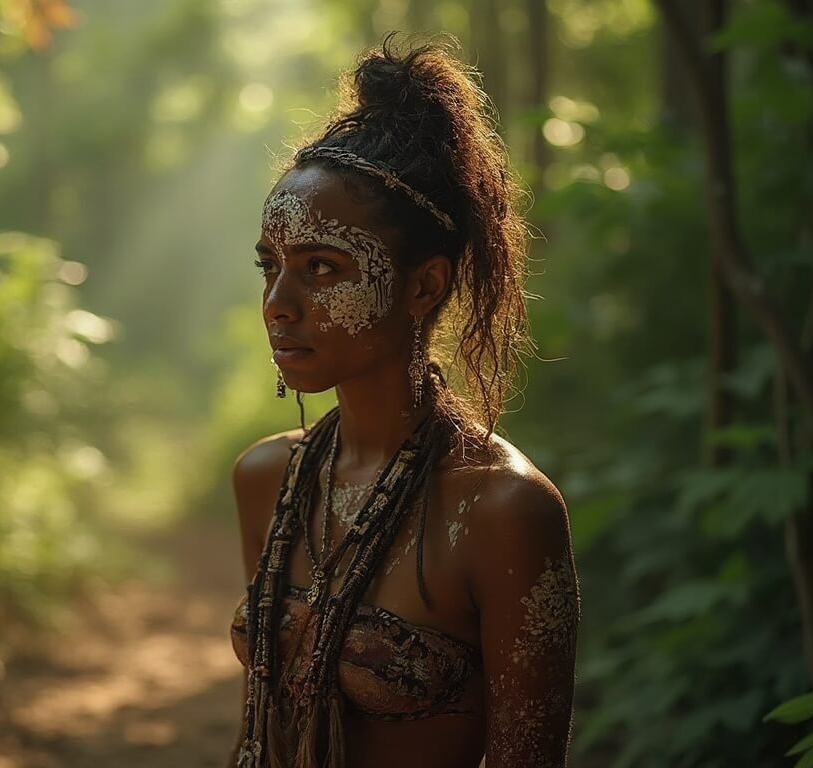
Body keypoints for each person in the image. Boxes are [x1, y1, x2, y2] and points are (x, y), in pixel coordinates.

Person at [228, 35, 581, 768]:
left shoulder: (503, 510)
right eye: (270, 267)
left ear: (424, 285)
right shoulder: (266, 478)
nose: (278, 303)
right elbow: (263, 725)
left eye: (321, 268)